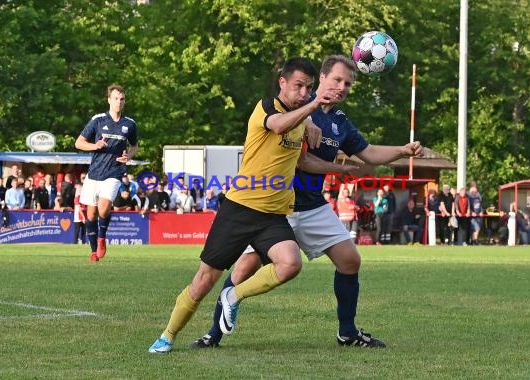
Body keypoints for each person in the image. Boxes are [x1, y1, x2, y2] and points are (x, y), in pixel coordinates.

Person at [188, 55, 422, 351]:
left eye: (348, 84)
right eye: (337, 80)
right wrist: (317, 130)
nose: (342, 87)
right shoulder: (295, 103)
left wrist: (403, 150)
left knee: (350, 260)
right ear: (321, 78)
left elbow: (370, 153)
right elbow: (291, 140)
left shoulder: (340, 123)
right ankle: (213, 334)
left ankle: (347, 333)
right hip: (272, 208)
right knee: (244, 268)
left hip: (311, 206)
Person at [148, 56, 340, 353]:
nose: (304, 93)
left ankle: (233, 296)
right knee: (204, 280)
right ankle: (167, 335)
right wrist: (312, 108)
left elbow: (302, 161)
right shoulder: (266, 107)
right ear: (282, 82)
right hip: (240, 209)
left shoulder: (302, 120)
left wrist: (343, 168)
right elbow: (277, 126)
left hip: (274, 215)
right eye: (299, 86)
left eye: (309, 88)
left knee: (290, 264)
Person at [75, 84, 138, 262]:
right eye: (116, 98)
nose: (119, 102)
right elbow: (78, 143)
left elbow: (134, 147)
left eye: (122, 99)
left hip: (115, 171)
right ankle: (94, 250)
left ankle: (102, 238)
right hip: (94, 173)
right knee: (91, 214)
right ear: (109, 100)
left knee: (104, 207)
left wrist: (128, 156)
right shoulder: (98, 120)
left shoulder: (130, 124)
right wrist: (95, 146)